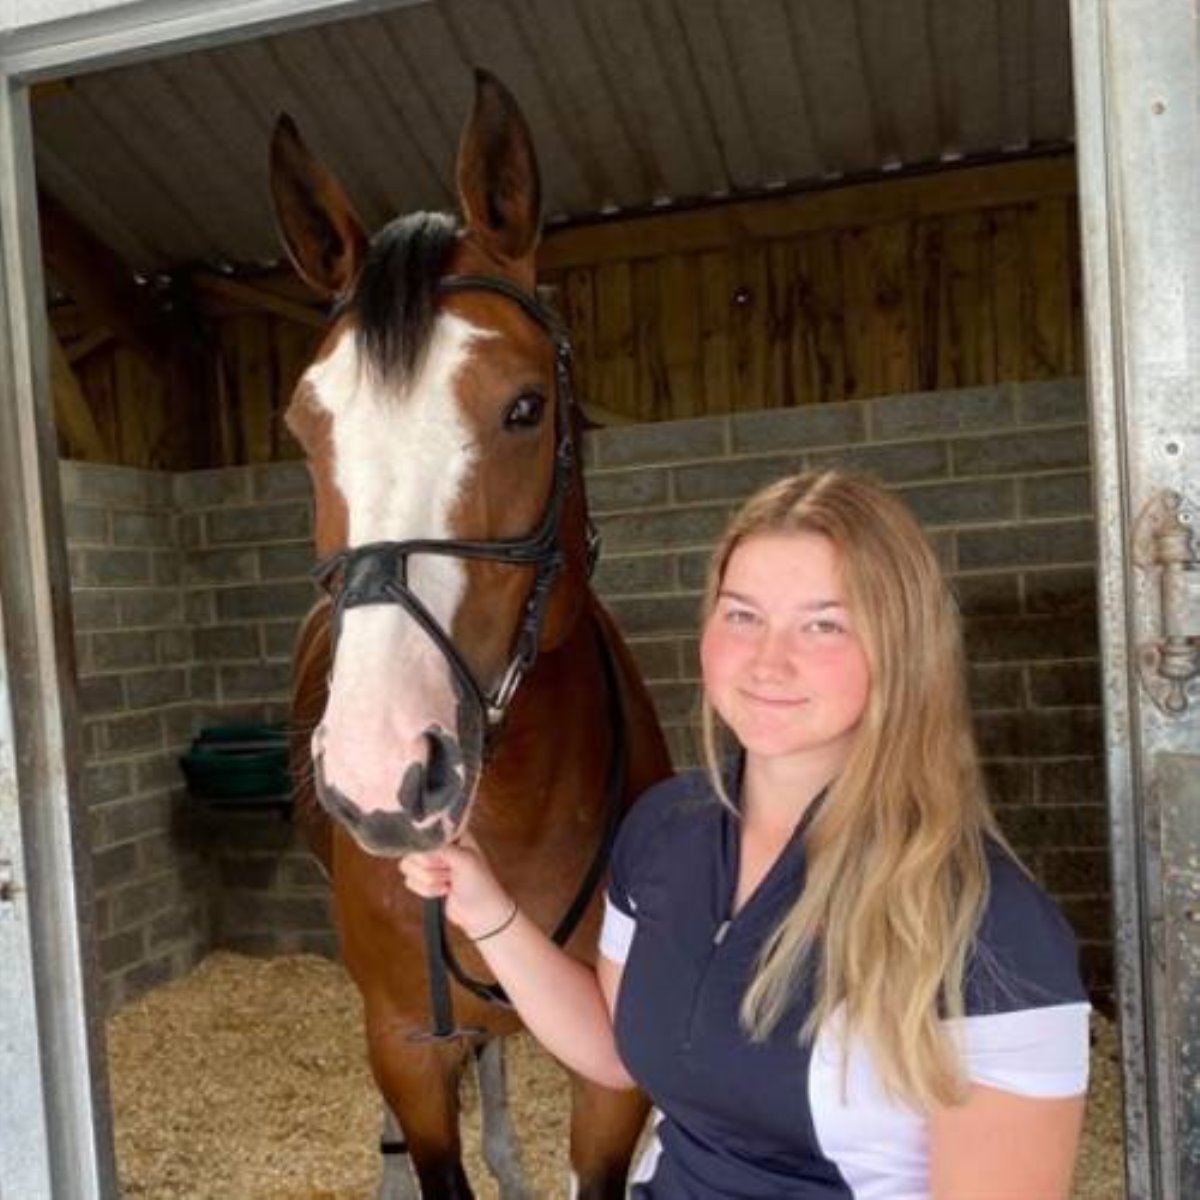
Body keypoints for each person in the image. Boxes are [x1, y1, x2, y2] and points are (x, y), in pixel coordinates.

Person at [400, 468, 1090, 1199]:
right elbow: (618, 1049)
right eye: (741, 616)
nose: (768, 661)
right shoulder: (667, 829)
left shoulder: (991, 927)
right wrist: (484, 908)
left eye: (823, 624)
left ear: (901, 647)